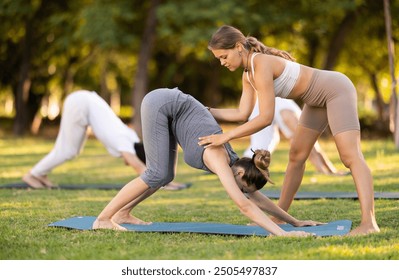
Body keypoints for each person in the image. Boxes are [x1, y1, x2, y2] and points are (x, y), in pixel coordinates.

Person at [200, 25, 379, 235]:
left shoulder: (261, 63)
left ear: (239, 47)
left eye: (223, 56)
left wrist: (226, 136)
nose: (222, 62)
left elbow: (266, 118)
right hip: (315, 101)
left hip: (336, 90)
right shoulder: (248, 75)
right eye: (219, 59)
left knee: (350, 155)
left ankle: (369, 223)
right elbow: (241, 114)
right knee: (296, 156)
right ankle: (279, 216)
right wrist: (204, 110)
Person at [92, 88, 322, 237]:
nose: (243, 193)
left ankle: (123, 213)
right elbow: (244, 206)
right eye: (244, 189)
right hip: (162, 103)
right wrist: (281, 234)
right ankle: (103, 219)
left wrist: (294, 222)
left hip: (175, 112)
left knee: (165, 175)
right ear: (241, 175)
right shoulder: (219, 158)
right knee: (155, 173)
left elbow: (255, 198)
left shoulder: (237, 165)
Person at [22, 90, 188, 191]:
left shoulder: (132, 139)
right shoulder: (124, 142)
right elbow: (140, 168)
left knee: (69, 149)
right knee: (68, 150)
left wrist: (168, 181)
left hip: (84, 101)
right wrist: (164, 184)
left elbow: (141, 163)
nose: (127, 163)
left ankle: (40, 174)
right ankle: (32, 175)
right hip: (81, 103)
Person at [243, 97, 348, 176]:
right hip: (264, 105)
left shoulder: (298, 118)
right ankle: (241, 169)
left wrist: (330, 171)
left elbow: (311, 147)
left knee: (270, 142)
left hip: (274, 103)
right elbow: (307, 148)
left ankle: (242, 168)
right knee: (262, 145)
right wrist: (328, 171)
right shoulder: (294, 120)